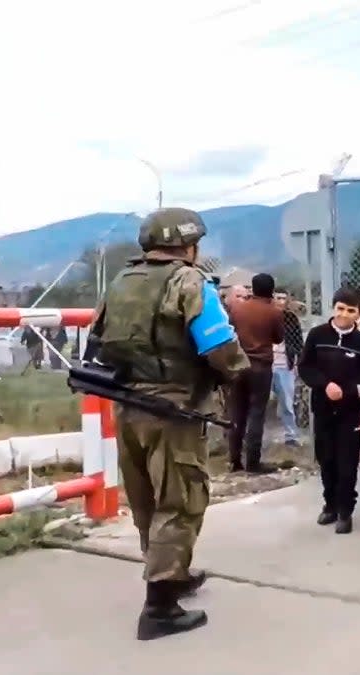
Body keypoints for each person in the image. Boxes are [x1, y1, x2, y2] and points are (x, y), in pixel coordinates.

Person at [88, 207, 250, 640]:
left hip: (127, 407)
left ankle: (170, 572)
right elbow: (219, 345)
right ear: (190, 245)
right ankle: (160, 607)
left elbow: (97, 340)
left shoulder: (121, 282)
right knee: (180, 500)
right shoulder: (190, 282)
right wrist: (237, 374)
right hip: (173, 408)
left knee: (146, 499)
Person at [297, 287, 360, 534]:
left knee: (347, 461)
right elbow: (306, 367)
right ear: (333, 308)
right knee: (326, 459)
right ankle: (330, 504)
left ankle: (345, 510)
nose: (344, 315)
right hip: (323, 409)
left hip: (349, 412)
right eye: (340, 309)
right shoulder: (317, 335)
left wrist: (353, 390)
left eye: (351, 311)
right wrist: (324, 384)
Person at [226, 273, 285, 472]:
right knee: (256, 413)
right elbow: (278, 338)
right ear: (271, 290)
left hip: (239, 364)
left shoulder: (237, 308)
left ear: (252, 288)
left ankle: (234, 460)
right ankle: (253, 462)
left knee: (237, 412)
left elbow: (230, 330)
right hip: (261, 367)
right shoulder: (274, 312)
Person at [272, 290, 304, 446]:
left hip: (285, 364)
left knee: (287, 403)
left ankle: (291, 436)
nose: (281, 301)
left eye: (284, 298)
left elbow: (299, 344)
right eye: (278, 298)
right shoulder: (266, 315)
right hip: (266, 363)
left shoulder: (291, 319)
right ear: (272, 298)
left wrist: (297, 363)